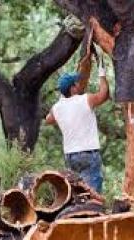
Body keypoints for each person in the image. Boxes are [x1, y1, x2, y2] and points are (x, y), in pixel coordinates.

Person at [45, 51, 110, 193]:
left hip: (70, 156)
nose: (78, 84)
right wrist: (102, 74)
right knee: (92, 193)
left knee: (77, 192)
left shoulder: (57, 108)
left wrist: (62, 99)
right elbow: (104, 95)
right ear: (72, 88)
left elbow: (48, 120)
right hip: (88, 153)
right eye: (76, 83)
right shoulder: (85, 99)